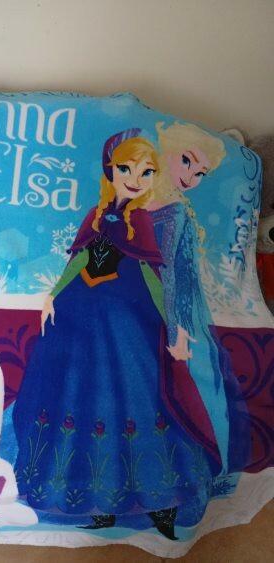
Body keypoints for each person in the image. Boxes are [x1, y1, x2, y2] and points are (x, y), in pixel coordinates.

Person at [12, 129, 214, 540]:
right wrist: (53, 295)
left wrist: (172, 326)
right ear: (111, 170)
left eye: (146, 171)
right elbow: (79, 258)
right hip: (80, 319)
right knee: (82, 400)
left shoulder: (141, 219)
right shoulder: (96, 213)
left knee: (138, 400)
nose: (135, 179)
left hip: (126, 326)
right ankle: (97, 501)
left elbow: (154, 274)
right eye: (126, 169)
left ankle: (160, 502)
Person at [149, 122, 248, 473]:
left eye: (201, 172)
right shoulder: (166, 209)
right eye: (187, 161)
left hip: (183, 306)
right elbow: (167, 272)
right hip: (171, 307)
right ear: (166, 152)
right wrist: (176, 326)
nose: (191, 177)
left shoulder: (173, 206)